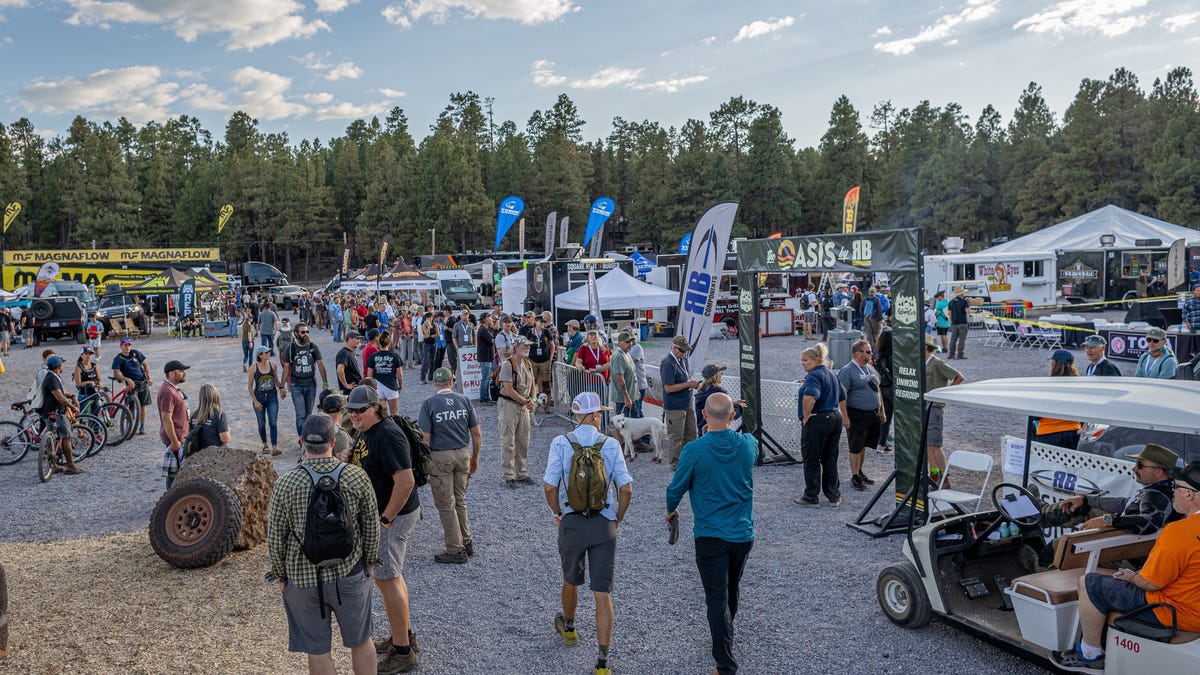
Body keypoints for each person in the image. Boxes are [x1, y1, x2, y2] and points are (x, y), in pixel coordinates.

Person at [1051, 461, 1200, 672]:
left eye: (1175, 487)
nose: (1173, 492)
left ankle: (1090, 654)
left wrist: (1132, 577)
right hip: (1192, 604)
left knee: (1089, 583)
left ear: (1189, 495)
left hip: (1174, 611)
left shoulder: (1178, 532)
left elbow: (1150, 583)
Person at [267, 414, 379, 675]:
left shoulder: (285, 483)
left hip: (303, 579)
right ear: (333, 442)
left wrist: (280, 574)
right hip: (349, 571)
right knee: (361, 640)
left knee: (318, 650)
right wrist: (370, 561)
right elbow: (371, 524)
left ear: (301, 441)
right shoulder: (356, 476)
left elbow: (275, 536)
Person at [665, 393, 756, 675]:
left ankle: (725, 663)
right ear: (732, 416)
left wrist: (670, 512)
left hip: (710, 534)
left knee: (715, 596)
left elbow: (674, 489)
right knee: (731, 587)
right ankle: (724, 634)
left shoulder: (694, 451)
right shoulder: (748, 445)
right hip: (742, 532)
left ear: (704, 415)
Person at [543, 391, 633, 675]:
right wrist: (616, 518)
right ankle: (603, 662)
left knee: (571, 579)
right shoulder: (609, 444)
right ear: (595, 415)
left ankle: (569, 628)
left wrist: (559, 514)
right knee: (602, 592)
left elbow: (549, 487)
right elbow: (626, 488)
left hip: (572, 522)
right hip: (603, 523)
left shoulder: (560, 442)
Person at [345, 385, 421, 673]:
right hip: (388, 513)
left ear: (376, 407)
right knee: (390, 579)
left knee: (388, 579)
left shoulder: (387, 435)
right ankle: (403, 636)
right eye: (350, 410)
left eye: (360, 410)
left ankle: (402, 652)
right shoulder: (368, 430)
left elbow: (406, 482)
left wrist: (384, 520)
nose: (354, 415)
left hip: (394, 515)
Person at [1038, 443, 1181, 567]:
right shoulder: (1166, 489)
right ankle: (1041, 514)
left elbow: (1149, 523)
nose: (1134, 469)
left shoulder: (1157, 496)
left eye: (1140, 465)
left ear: (1159, 472)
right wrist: (1086, 499)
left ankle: (1035, 567)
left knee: (1060, 545)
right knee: (1084, 507)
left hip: (1125, 552)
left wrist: (1109, 520)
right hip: (1125, 540)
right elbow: (1124, 503)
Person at [419, 367, 482, 564]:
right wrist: (475, 458)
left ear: (434, 383)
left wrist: (424, 464)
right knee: (460, 500)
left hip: (441, 456)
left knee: (446, 504)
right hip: (462, 453)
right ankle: (466, 540)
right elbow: (477, 434)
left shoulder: (429, 404)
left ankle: (455, 549)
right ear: (451, 382)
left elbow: (425, 438)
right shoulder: (464, 400)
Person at [794, 343, 845, 507]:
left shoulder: (814, 376)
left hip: (819, 419)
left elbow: (810, 396)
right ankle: (833, 495)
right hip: (835, 417)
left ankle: (811, 496)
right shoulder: (832, 374)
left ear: (815, 360)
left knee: (811, 458)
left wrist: (806, 416)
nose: (802, 363)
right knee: (830, 458)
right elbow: (843, 396)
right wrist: (846, 417)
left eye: (805, 360)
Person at [838, 339, 884, 491]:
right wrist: (844, 416)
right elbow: (842, 395)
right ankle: (854, 476)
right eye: (868, 351)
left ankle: (859, 471)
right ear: (858, 353)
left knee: (864, 444)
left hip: (872, 413)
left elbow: (878, 390)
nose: (871, 354)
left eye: (870, 351)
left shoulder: (870, 368)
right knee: (855, 445)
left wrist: (882, 411)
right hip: (856, 413)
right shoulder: (848, 370)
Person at [498, 335, 536, 489]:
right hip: (509, 405)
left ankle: (521, 472)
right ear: (516, 347)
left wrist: (533, 400)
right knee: (508, 440)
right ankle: (508, 475)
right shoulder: (507, 365)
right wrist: (526, 401)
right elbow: (508, 389)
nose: (527, 348)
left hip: (523, 405)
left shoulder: (527, 363)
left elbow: (533, 384)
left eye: (528, 345)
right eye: (524, 345)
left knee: (523, 440)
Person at [924, 333, 963, 483]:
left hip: (934, 407)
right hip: (925, 406)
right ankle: (934, 473)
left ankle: (944, 476)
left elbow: (959, 377)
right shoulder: (924, 362)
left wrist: (944, 393)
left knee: (934, 444)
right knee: (927, 443)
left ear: (927, 347)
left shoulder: (937, 363)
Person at [283, 323, 330, 437]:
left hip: (310, 384)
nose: (306, 334)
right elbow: (286, 369)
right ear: (296, 333)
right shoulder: (290, 348)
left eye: (307, 332)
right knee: (300, 415)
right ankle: (302, 441)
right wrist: (281, 386)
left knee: (308, 415)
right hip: (296, 385)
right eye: (303, 332)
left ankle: (306, 438)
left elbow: (320, 365)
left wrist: (325, 383)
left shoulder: (313, 347)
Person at [39, 355, 84, 475]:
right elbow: (59, 397)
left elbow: (62, 393)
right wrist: (72, 406)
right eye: (62, 364)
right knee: (66, 438)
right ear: (58, 366)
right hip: (56, 413)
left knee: (54, 438)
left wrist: (72, 396)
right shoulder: (52, 379)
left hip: (48, 412)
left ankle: (53, 465)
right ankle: (70, 465)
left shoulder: (51, 376)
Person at [661, 335, 700, 470]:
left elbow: (685, 378)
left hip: (687, 403)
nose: (684, 353)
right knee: (676, 438)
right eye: (682, 351)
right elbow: (668, 388)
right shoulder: (667, 363)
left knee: (691, 435)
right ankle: (675, 465)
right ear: (675, 348)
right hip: (675, 406)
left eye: (685, 351)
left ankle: (689, 461)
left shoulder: (683, 360)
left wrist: (691, 383)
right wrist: (688, 384)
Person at [1032, 349, 1083, 449]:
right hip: (1073, 432)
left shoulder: (1047, 386)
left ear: (1054, 363)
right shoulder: (1079, 386)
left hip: (1048, 433)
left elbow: (1036, 416)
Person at [157, 360, 190, 487]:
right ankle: (171, 501)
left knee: (177, 472)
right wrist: (174, 441)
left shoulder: (170, 388)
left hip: (178, 437)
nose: (184, 374)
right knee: (174, 474)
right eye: (181, 371)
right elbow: (167, 418)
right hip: (175, 438)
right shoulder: (168, 392)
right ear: (171, 374)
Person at [249, 345, 286, 456]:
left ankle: (274, 447)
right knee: (261, 423)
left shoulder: (273, 366)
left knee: (273, 422)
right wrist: (255, 401)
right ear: (260, 355)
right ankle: (265, 445)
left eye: (269, 352)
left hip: (272, 397)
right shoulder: (253, 368)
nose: (268, 354)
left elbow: (276, 381)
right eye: (266, 352)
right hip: (259, 397)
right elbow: (250, 386)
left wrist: (281, 388)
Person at [112, 337, 152, 434]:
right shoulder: (118, 358)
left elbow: (145, 364)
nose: (127, 347)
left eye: (129, 345)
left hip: (142, 382)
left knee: (143, 405)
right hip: (131, 385)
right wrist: (127, 379)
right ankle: (128, 428)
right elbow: (116, 373)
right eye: (125, 345)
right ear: (121, 346)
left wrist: (149, 377)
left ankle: (142, 426)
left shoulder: (135, 353)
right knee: (130, 406)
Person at [693, 365, 744, 437]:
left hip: (703, 432)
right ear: (716, 376)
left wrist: (734, 403)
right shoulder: (719, 391)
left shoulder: (701, 390)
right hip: (718, 432)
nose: (722, 375)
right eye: (721, 373)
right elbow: (728, 414)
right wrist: (739, 407)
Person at [366, 330, 402, 416]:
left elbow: (369, 376)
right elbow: (400, 375)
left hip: (378, 386)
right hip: (391, 386)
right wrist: (400, 385)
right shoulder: (395, 356)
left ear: (379, 343)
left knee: (382, 414)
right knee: (395, 413)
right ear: (389, 343)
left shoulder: (373, 356)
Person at [189, 383, 231, 451]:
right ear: (216, 396)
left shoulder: (193, 415)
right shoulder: (219, 414)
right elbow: (225, 439)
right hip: (213, 452)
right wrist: (228, 430)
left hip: (197, 452)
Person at [526, 316, 555, 412]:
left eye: (543, 322)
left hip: (545, 360)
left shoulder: (546, 332)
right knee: (532, 383)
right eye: (540, 322)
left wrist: (550, 358)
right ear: (535, 322)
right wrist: (526, 359)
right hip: (533, 360)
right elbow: (526, 345)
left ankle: (547, 405)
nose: (542, 323)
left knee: (546, 383)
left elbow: (552, 345)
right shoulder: (530, 333)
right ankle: (532, 404)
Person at [607, 331, 639, 419]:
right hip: (623, 398)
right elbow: (619, 379)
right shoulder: (618, 356)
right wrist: (626, 397)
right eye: (627, 342)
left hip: (629, 396)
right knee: (622, 424)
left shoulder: (626, 353)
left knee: (633, 422)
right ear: (620, 343)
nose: (630, 344)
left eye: (631, 342)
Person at [875, 328, 895, 454]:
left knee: (884, 417)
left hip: (882, 387)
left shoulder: (878, 353)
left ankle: (880, 443)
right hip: (892, 388)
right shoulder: (893, 355)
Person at [475, 315, 497, 405]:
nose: (491, 319)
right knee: (485, 378)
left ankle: (486, 397)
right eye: (490, 317)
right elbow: (492, 340)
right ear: (485, 319)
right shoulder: (483, 330)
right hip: (485, 357)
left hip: (487, 357)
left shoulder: (486, 329)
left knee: (487, 378)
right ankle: (483, 398)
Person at [946, 286, 970, 359]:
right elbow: (967, 312)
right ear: (962, 293)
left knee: (953, 339)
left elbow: (949, 313)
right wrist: (970, 309)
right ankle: (960, 354)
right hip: (963, 322)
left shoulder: (951, 302)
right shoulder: (964, 301)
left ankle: (951, 354)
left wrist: (951, 321)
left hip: (954, 322)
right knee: (961, 339)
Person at [239, 307, 257, 372]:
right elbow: (249, 333)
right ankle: (250, 367)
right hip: (249, 340)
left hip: (243, 341)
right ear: (249, 319)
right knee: (251, 355)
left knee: (246, 355)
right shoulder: (249, 325)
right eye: (251, 318)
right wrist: (250, 342)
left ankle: (244, 364)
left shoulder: (244, 324)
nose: (252, 320)